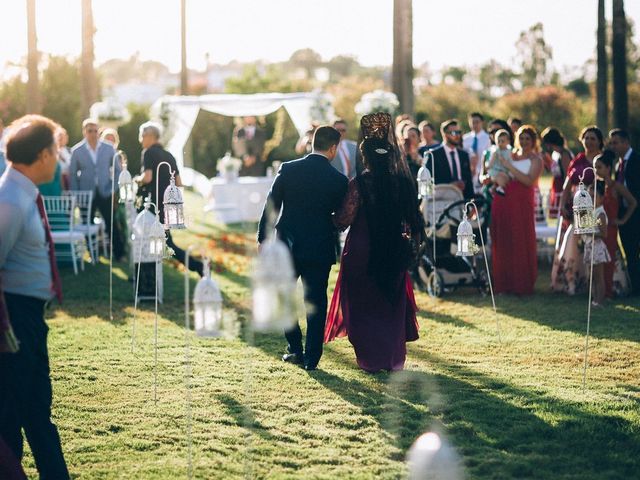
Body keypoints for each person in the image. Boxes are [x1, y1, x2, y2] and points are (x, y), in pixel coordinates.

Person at [0, 114, 70, 479]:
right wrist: (6, 329)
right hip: (15, 320)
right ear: (43, 154)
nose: (59, 159)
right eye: (56, 151)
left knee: (12, 411)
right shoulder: (10, 199)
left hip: (25, 316)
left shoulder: (22, 192)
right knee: (35, 413)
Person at [324, 112, 421, 372]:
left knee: (363, 302)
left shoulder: (359, 184)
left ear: (365, 156)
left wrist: (325, 215)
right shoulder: (401, 183)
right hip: (393, 249)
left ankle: (370, 358)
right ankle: (391, 358)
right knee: (389, 303)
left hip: (363, 249)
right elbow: (412, 219)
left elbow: (344, 219)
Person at [257, 126, 348, 371]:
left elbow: (271, 205)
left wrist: (262, 239)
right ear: (332, 149)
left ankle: (295, 348)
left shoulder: (288, 169)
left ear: (311, 143)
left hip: (287, 244)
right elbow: (341, 217)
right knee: (316, 301)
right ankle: (312, 358)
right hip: (319, 245)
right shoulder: (339, 180)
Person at [134, 121, 204, 276]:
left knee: (154, 241)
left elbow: (147, 177)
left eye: (142, 136)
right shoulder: (169, 155)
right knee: (161, 241)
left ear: (150, 136)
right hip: (168, 205)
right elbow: (179, 183)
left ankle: (196, 266)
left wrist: (135, 180)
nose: (140, 140)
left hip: (152, 205)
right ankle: (146, 275)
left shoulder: (148, 153)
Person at [490, 125, 543, 295]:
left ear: (533, 141)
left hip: (522, 202)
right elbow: (494, 168)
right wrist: (494, 178)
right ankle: (504, 284)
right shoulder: (509, 154)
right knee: (505, 240)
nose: (524, 141)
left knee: (521, 238)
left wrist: (510, 167)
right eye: (521, 138)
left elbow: (529, 181)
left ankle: (522, 283)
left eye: (528, 138)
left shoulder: (536, 160)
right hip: (504, 200)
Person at [551, 126, 602, 295]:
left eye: (593, 138)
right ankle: (573, 282)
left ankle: (594, 284)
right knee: (573, 242)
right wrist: (564, 204)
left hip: (595, 206)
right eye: (586, 138)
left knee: (592, 243)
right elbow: (567, 184)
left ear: (600, 141)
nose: (589, 141)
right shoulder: (578, 160)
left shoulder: (603, 160)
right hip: (574, 208)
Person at [69, 118, 125, 259]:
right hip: (86, 194)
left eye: (95, 130)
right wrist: (77, 195)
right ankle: (93, 253)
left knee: (111, 223)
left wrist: (113, 188)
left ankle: (119, 253)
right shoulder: (77, 151)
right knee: (87, 223)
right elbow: (73, 175)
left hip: (105, 192)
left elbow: (118, 170)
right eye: (90, 131)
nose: (93, 133)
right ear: (84, 132)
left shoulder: (108, 148)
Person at [593, 150, 636, 297]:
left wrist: (622, 220)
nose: (596, 171)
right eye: (594, 167)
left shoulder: (616, 187)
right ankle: (597, 292)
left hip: (610, 229)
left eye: (599, 167)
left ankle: (608, 292)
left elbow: (633, 202)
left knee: (608, 259)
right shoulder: (593, 187)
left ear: (608, 168)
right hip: (596, 228)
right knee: (596, 260)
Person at [608, 128, 640, 295]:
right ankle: (636, 288)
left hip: (636, 212)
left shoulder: (636, 160)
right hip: (625, 215)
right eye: (611, 143)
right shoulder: (618, 164)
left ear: (626, 142)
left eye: (616, 142)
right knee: (631, 252)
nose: (613, 146)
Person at [425, 119, 474, 199]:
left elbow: (468, 181)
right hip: (441, 201)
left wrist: (472, 204)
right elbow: (429, 182)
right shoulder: (433, 155)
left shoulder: (464, 155)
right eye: (454, 133)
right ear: (445, 134)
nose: (458, 136)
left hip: (461, 201)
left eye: (459, 132)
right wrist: (449, 186)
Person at [584, 181, 611, 307]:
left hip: (597, 248)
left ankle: (600, 301)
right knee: (592, 277)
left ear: (601, 198)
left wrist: (591, 232)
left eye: (594, 197)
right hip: (590, 247)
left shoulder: (600, 213)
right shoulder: (591, 212)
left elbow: (604, 234)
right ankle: (594, 299)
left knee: (599, 276)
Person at [541, 127, 573, 218]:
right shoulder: (555, 154)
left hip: (562, 185)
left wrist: (566, 193)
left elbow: (566, 174)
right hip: (556, 184)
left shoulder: (564, 154)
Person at [462, 112, 491, 192]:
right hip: (469, 175)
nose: (475, 125)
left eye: (477, 122)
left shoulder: (488, 138)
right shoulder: (465, 139)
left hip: (483, 174)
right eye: (472, 122)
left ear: (482, 122)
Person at [485, 129, 513, 196]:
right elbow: (490, 164)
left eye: (502, 141)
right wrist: (494, 156)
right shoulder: (495, 150)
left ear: (508, 142)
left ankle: (495, 188)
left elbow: (510, 162)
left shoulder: (509, 151)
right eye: (498, 141)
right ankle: (499, 188)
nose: (500, 143)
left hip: (504, 170)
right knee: (500, 176)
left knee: (507, 177)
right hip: (495, 170)